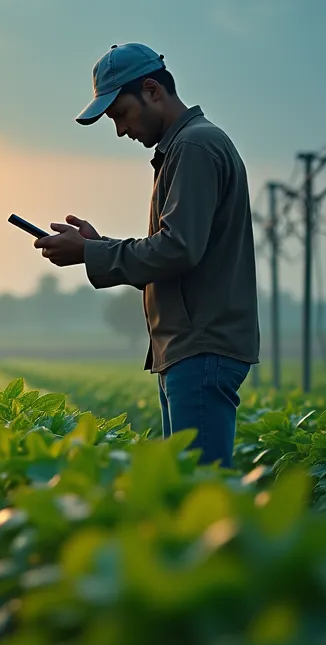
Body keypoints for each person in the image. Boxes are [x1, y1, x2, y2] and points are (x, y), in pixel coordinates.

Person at [34, 42, 259, 468]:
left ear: (152, 91)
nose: (120, 131)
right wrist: (96, 247)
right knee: (187, 489)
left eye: (120, 115)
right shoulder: (185, 147)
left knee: (200, 494)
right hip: (187, 346)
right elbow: (176, 255)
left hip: (201, 347)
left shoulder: (194, 146)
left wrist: (91, 254)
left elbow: (177, 249)